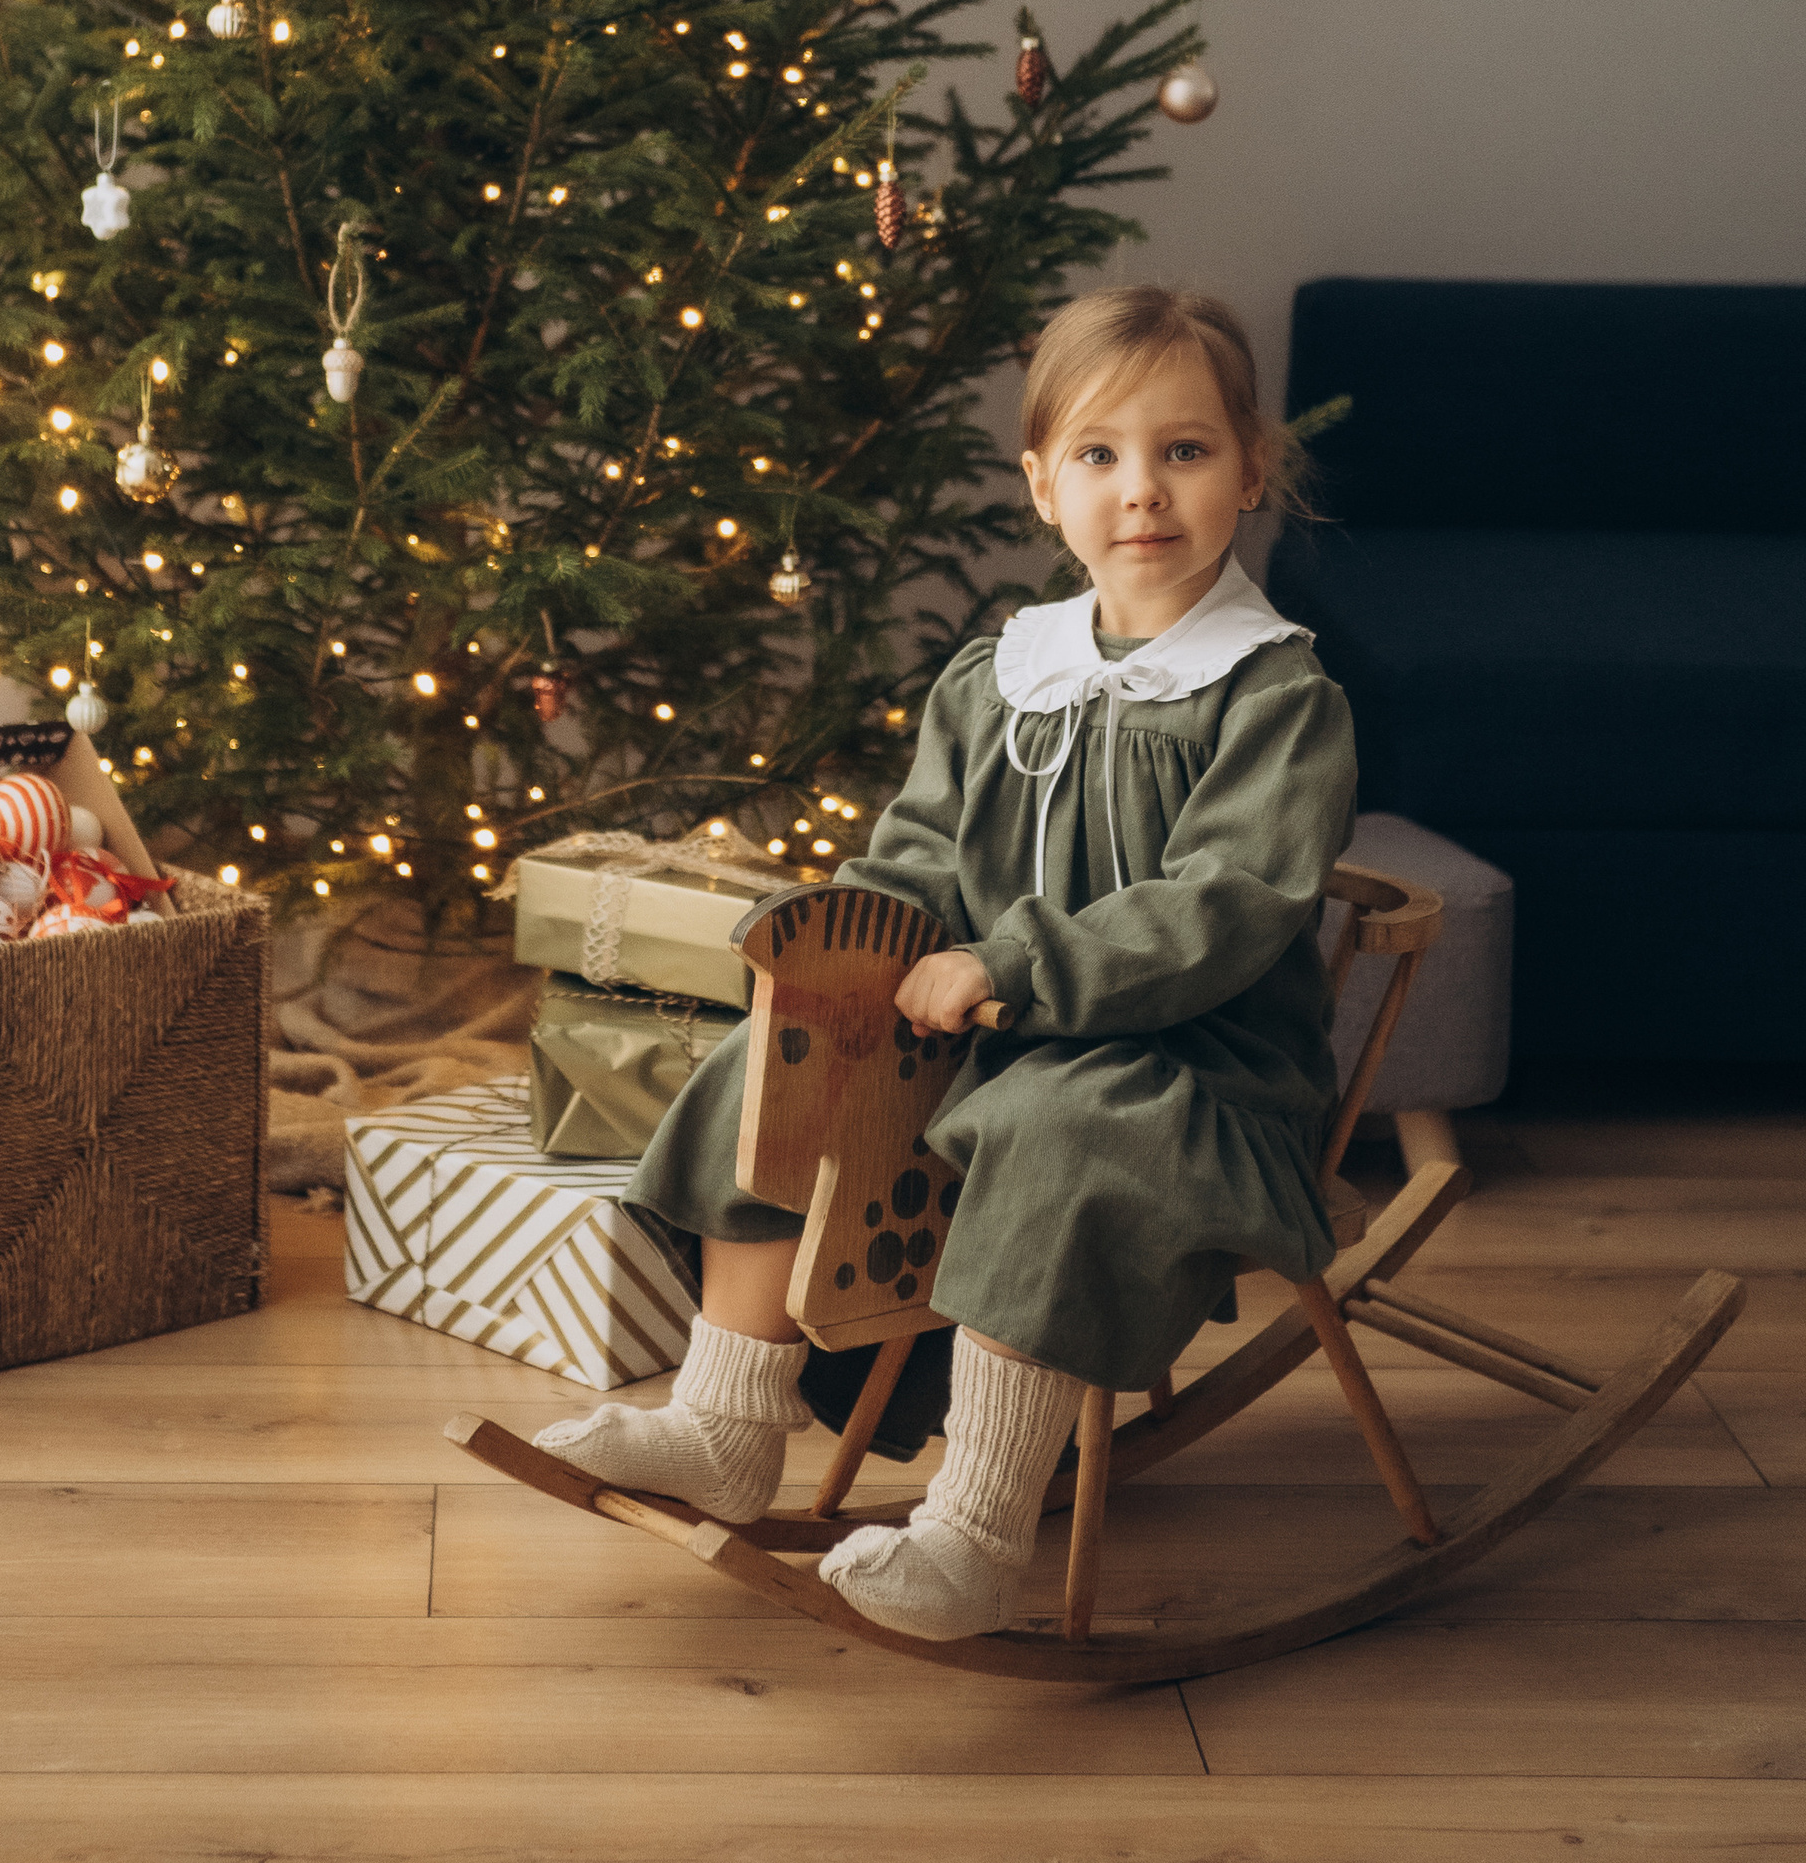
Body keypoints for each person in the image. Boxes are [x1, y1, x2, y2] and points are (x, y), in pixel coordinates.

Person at [535, 283, 1359, 1640]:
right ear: (1042, 485)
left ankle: (977, 1527)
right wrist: (845, 949)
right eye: (1098, 455)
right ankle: (723, 1419)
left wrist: (1012, 963)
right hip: (987, 1023)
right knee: (778, 1062)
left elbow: (1223, 904)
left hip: (1190, 1071)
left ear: (1251, 467)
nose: (1140, 491)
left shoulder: (1275, 693)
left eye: (1185, 450)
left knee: (1052, 1120)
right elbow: (915, 855)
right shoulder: (1002, 675)